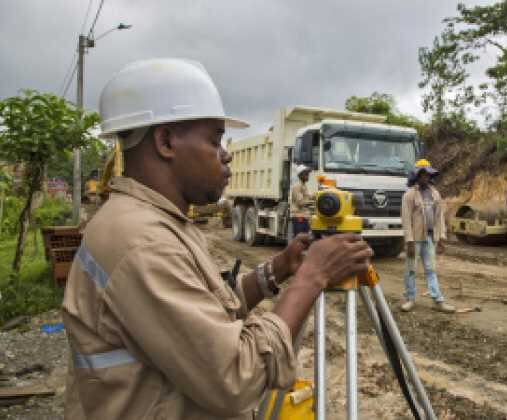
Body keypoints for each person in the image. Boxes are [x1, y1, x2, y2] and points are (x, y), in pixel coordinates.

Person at [62, 58, 373, 419]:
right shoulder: (141, 243)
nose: (227, 155)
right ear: (165, 141)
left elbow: (205, 319)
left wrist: (276, 271)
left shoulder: (157, 223)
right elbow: (236, 378)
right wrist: (311, 278)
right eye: (214, 140)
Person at [400, 159, 455, 313]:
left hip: (430, 239)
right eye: (422, 175)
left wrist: (442, 237)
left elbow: (439, 218)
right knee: (411, 270)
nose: (425, 178)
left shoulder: (435, 194)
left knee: (431, 270)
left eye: (427, 175)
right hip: (415, 239)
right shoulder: (409, 195)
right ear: (417, 176)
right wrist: (409, 241)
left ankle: (438, 301)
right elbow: (406, 220)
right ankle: (410, 299)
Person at [290, 164, 314, 235]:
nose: (308, 175)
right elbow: (300, 202)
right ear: (300, 175)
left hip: (305, 216)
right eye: (306, 174)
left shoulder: (303, 186)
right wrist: (311, 202)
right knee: (299, 239)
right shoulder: (297, 186)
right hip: (299, 216)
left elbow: (308, 197)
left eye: (308, 174)